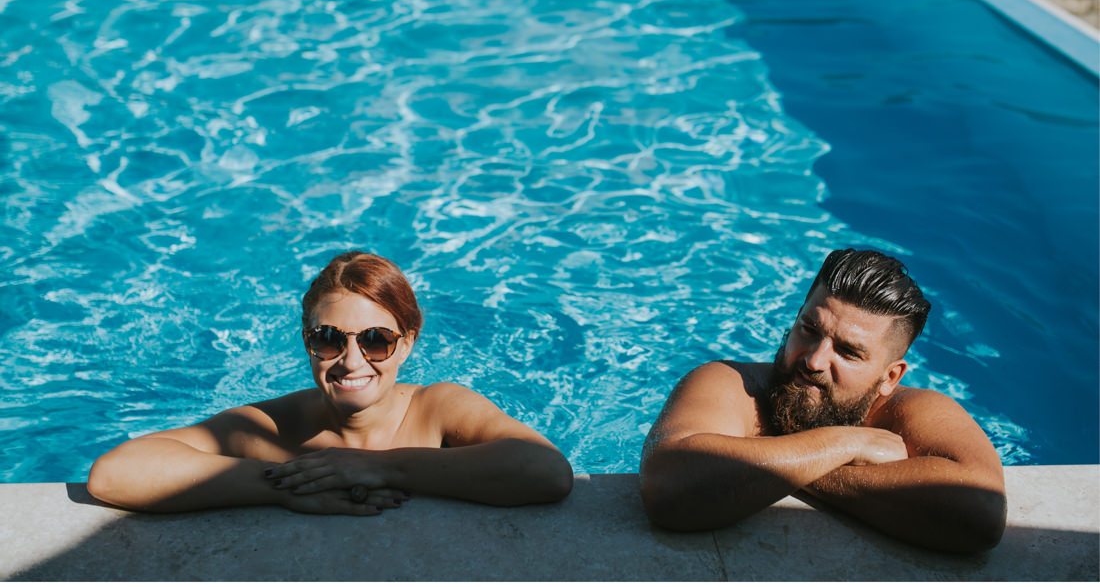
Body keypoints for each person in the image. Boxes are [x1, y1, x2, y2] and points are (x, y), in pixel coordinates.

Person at [88, 251, 573, 515]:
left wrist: (379, 468)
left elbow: (546, 471)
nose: (350, 360)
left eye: (376, 340)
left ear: (406, 343)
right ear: (306, 341)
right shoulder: (273, 429)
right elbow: (114, 474)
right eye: (328, 338)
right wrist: (283, 487)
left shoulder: (438, 409)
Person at [639, 248, 1006, 553]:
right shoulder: (732, 384)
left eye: (847, 352)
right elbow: (668, 485)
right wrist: (846, 442)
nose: (814, 360)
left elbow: (981, 512)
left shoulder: (910, 413)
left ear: (890, 377)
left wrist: (762, 463)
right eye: (809, 329)